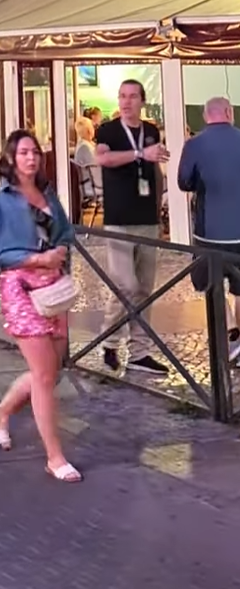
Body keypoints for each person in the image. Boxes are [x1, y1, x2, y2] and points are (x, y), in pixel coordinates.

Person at [0, 130, 81, 483]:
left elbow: (65, 231)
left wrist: (61, 254)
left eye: (34, 151)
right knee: (45, 374)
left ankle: (2, 411)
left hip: (54, 289)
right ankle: (54, 457)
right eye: (23, 152)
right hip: (21, 289)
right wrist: (39, 258)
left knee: (51, 369)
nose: (30, 158)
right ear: (11, 158)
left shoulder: (47, 193)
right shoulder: (2, 201)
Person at [94, 80, 170, 376]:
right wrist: (139, 155)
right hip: (119, 220)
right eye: (122, 96)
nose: (126, 102)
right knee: (125, 284)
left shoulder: (150, 131)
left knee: (145, 289)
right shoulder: (108, 131)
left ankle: (139, 352)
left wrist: (159, 214)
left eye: (132, 96)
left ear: (142, 100)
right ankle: (110, 341)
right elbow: (104, 158)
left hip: (147, 220)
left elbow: (155, 171)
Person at [177, 96, 240, 363]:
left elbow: (183, 182)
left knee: (211, 285)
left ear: (206, 116)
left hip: (208, 233)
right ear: (229, 113)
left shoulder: (193, 144)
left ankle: (230, 331)